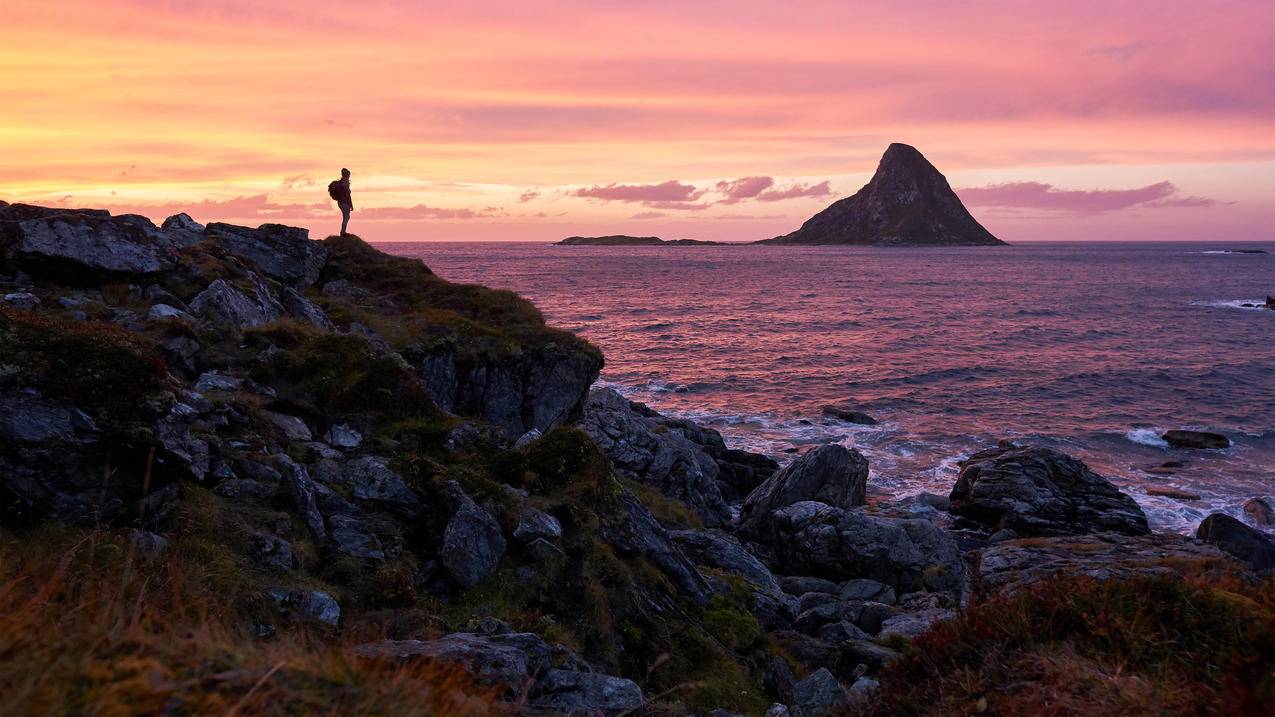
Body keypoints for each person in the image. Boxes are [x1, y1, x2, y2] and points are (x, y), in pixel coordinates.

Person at [331, 168, 353, 236]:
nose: (349, 176)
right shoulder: (345, 183)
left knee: (346, 217)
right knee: (346, 217)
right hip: (345, 203)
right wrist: (351, 205)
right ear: (347, 175)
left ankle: (343, 232)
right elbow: (348, 195)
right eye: (348, 175)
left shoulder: (340, 182)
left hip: (340, 202)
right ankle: (343, 233)